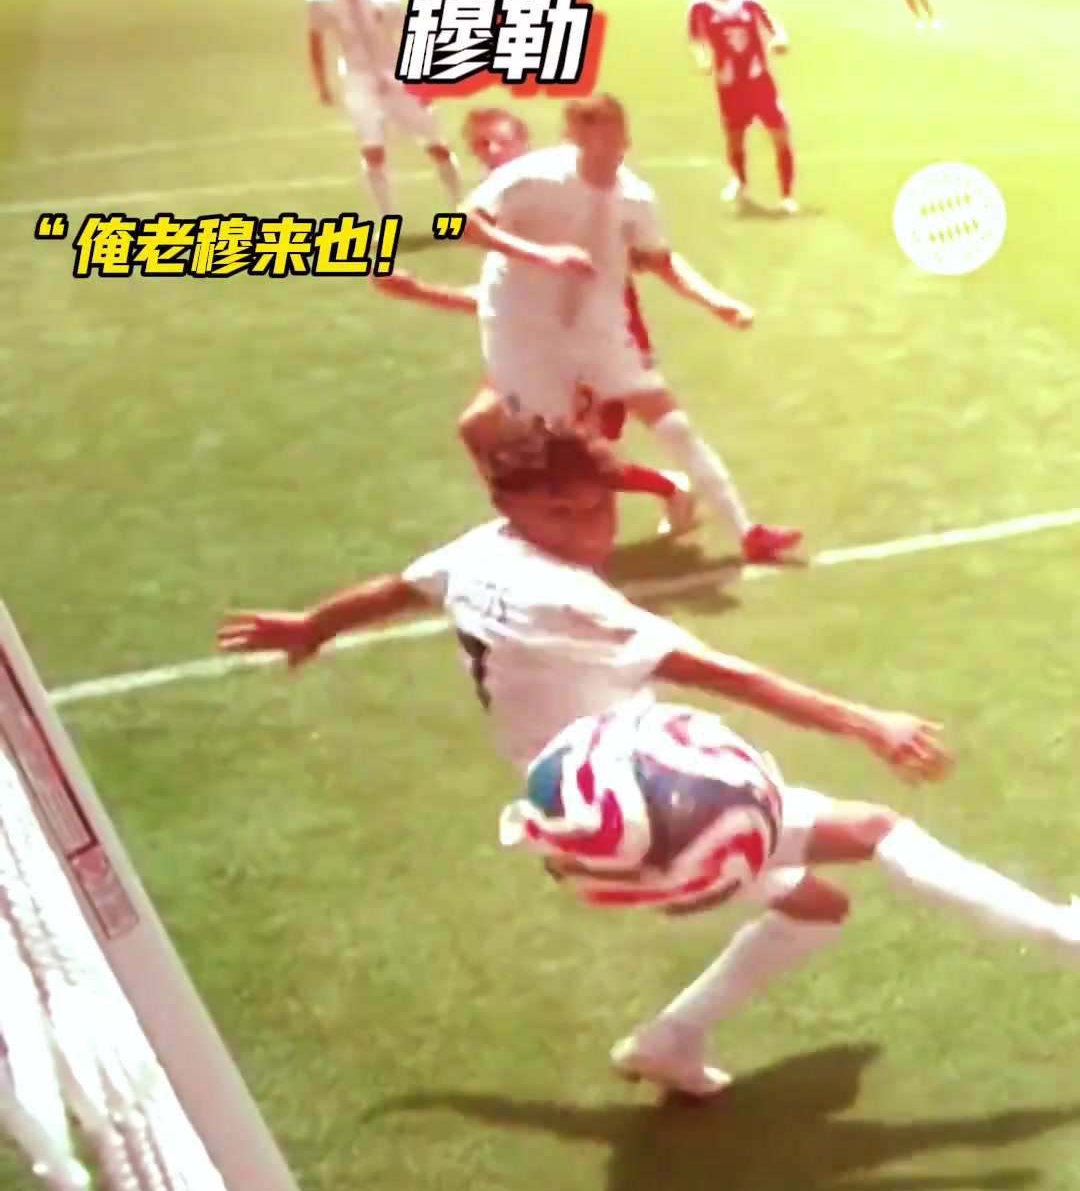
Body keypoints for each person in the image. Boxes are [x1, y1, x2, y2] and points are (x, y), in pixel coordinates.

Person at [216, 427, 1080, 1098]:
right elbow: (729, 675)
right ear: (508, 501)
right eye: (561, 513)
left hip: (577, 812)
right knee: (875, 831)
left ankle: (669, 1041)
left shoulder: (476, 552)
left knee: (815, 907)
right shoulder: (574, 600)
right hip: (645, 804)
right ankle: (1064, 935)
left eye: (598, 508)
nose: (588, 529)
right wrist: (868, 723)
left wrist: (312, 626)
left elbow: (395, 591)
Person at [459, 92, 804, 566]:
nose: (607, 149)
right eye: (595, 139)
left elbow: (660, 260)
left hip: (599, 327)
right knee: (553, 450)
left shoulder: (636, 197)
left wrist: (715, 301)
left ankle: (748, 533)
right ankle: (560, 549)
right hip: (524, 331)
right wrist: (542, 256)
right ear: (572, 138)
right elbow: (458, 224)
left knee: (675, 425)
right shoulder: (530, 176)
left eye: (614, 137)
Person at [306, 0, 461, 218]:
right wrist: (322, 84)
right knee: (372, 150)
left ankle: (459, 208)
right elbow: (316, 41)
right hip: (358, 78)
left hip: (396, 74)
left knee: (435, 144)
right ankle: (388, 217)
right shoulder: (320, 0)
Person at [688, 0, 797, 212]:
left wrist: (780, 40)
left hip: (758, 80)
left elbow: (772, 25)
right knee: (735, 137)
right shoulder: (700, 6)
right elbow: (697, 40)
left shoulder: (748, 0)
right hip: (730, 84)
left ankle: (787, 196)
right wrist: (702, 59)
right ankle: (741, 183)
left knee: (780, 134)